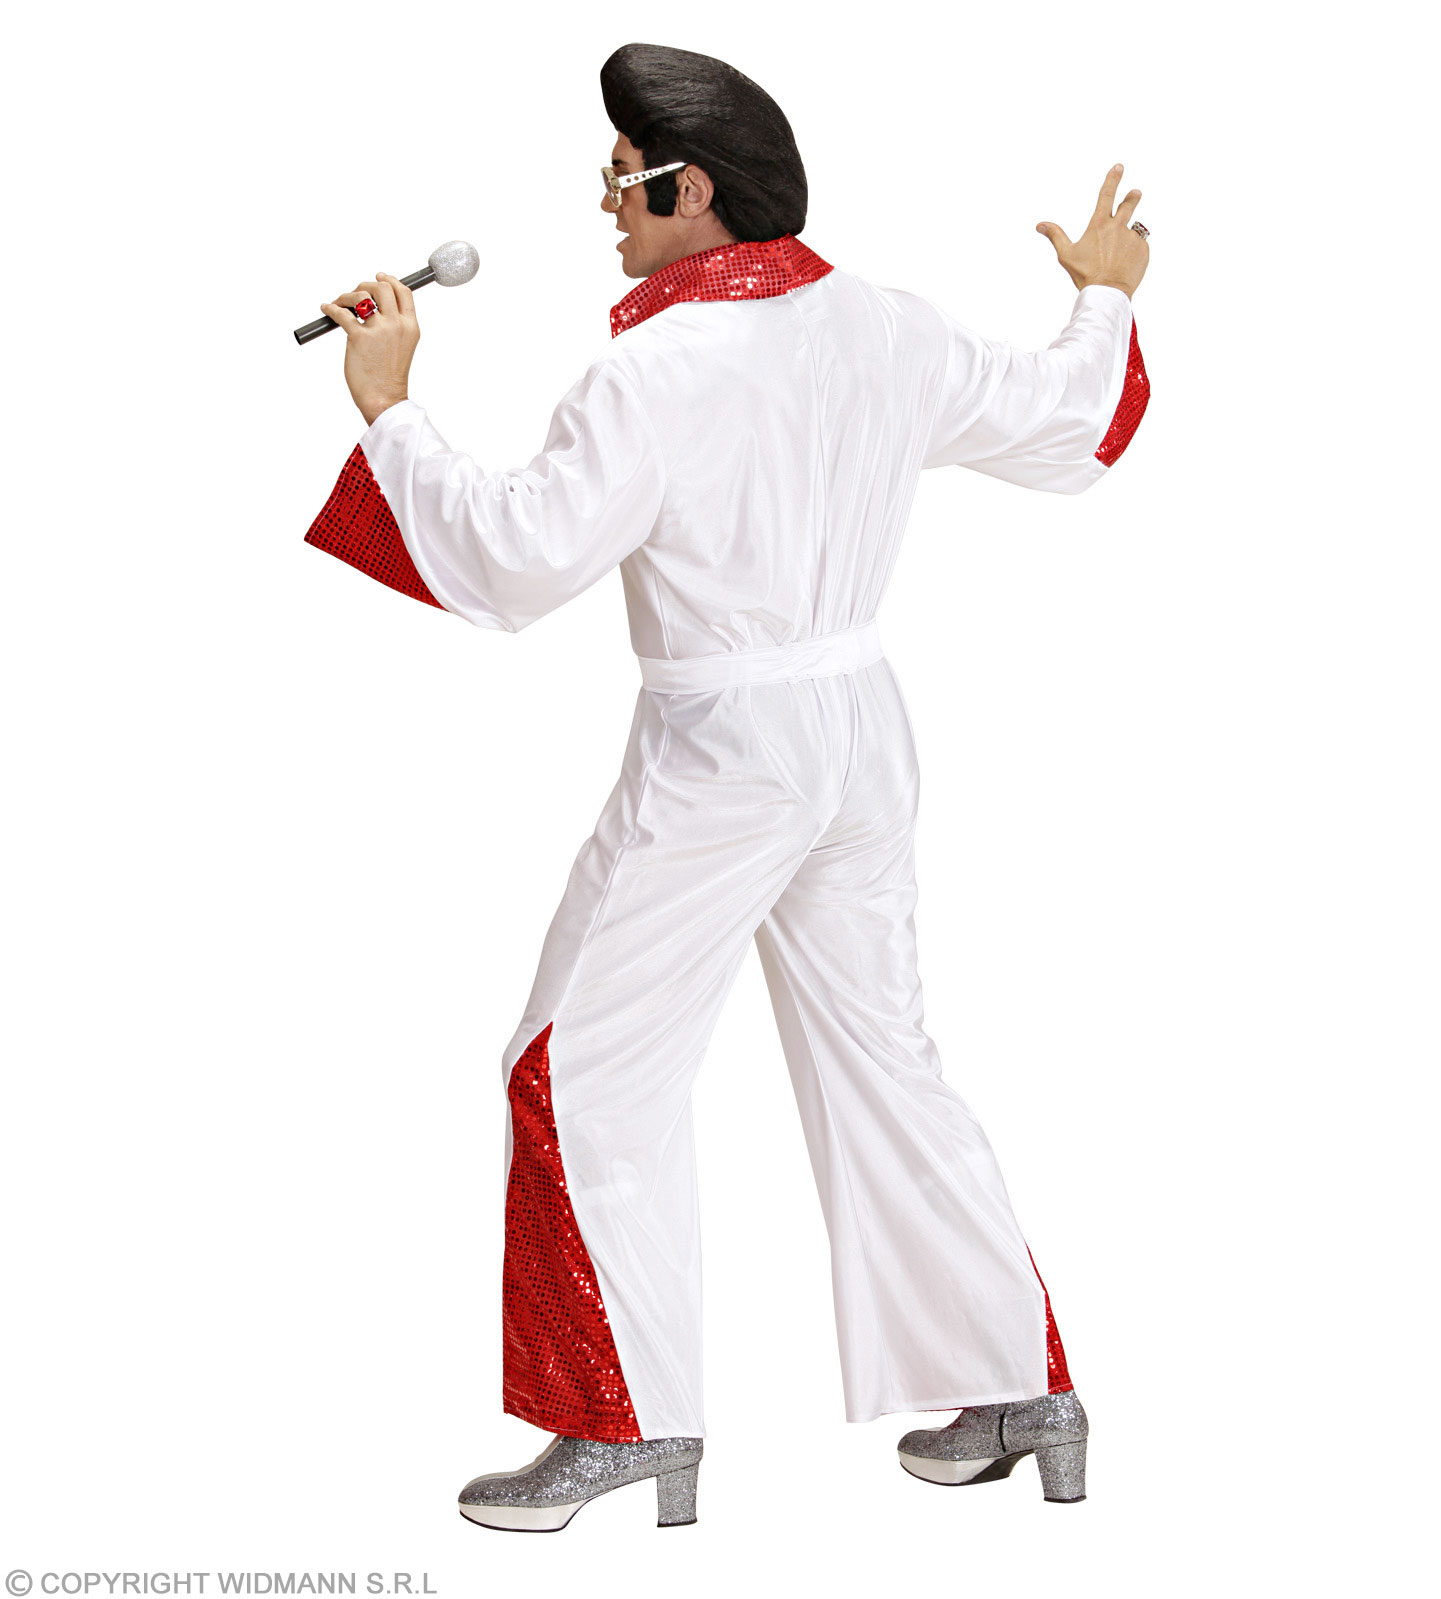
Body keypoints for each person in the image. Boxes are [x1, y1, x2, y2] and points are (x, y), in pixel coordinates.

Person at [303, 40, 1150, 1533]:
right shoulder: (883, 322)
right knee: (886, 1057)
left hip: (721, 750)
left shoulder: (655, 370)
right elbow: (1068, 414)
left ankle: (619, 1417)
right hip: (859, 729)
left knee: (573, 1069)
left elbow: (518, 560)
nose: (605, 203)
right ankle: (1023, 1389)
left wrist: (392, 407)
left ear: (690, 188)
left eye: (622, 177)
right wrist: (1103, 296)